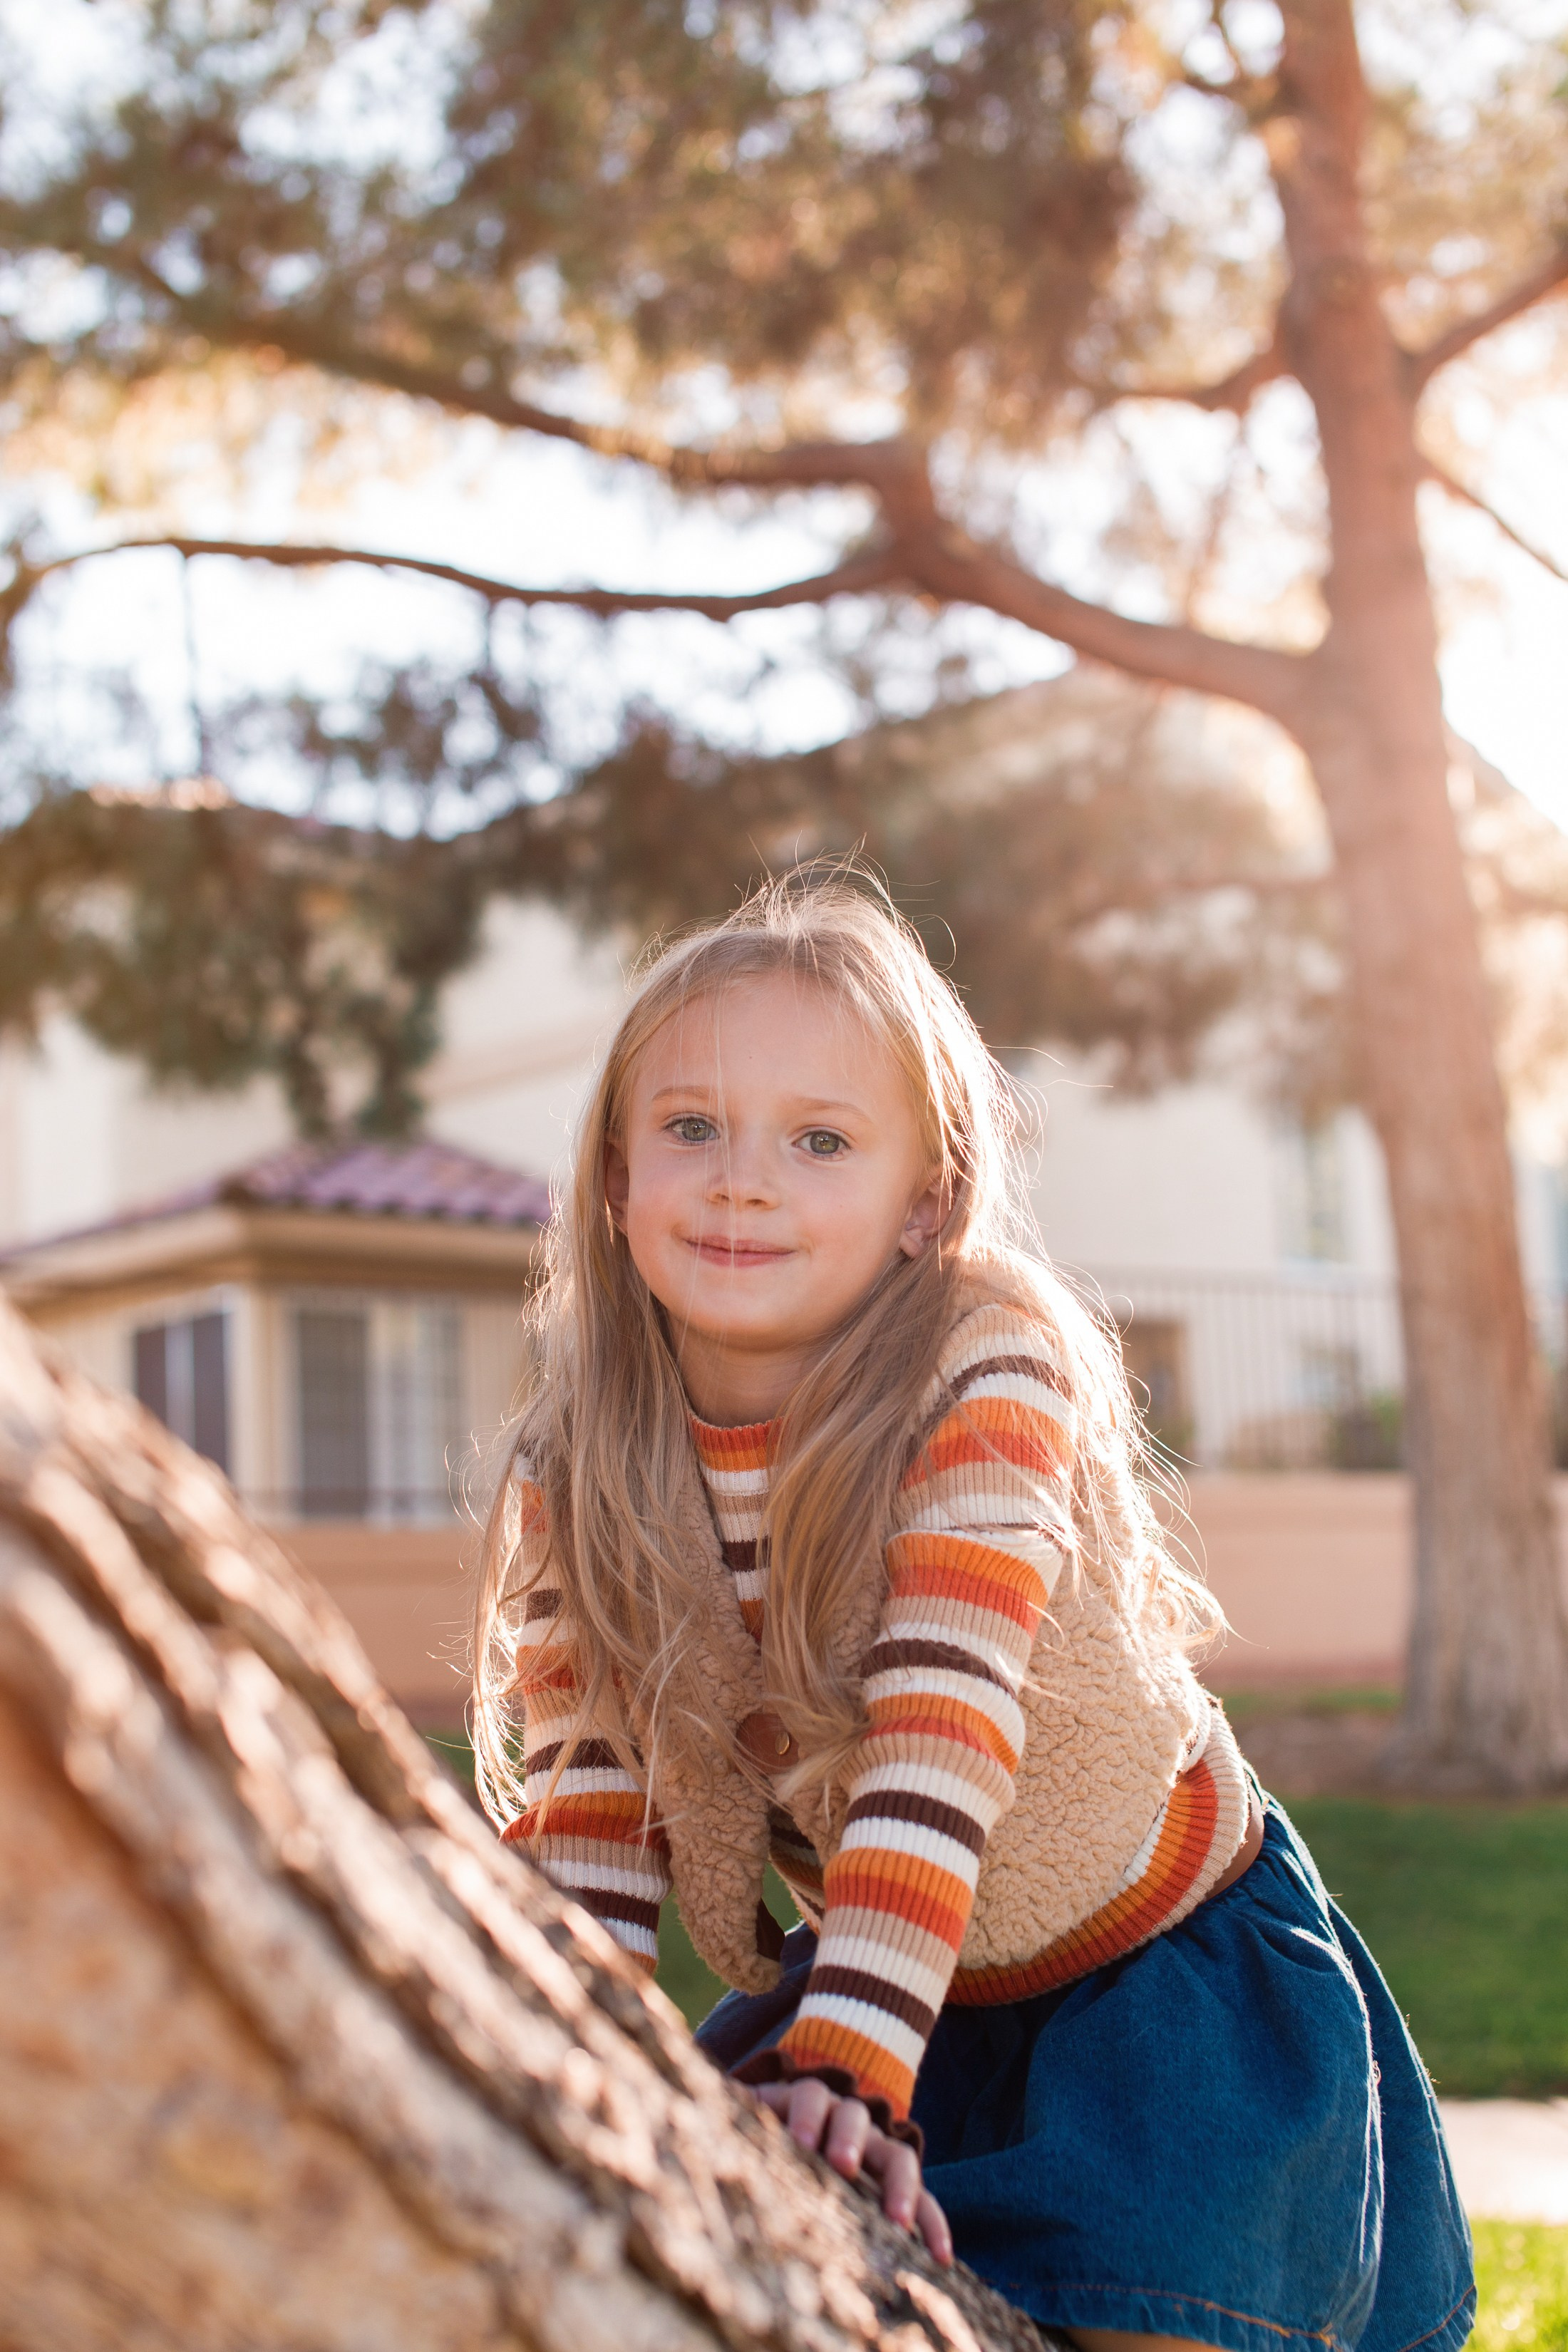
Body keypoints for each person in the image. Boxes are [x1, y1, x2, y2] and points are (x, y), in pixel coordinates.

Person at [472, 872, 1473, 2352]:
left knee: (1145, 2312)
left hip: (1151, 1982)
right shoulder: (583, 1460)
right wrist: (568, 2070)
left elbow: (939, 1726)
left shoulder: (984, 1362)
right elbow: (591, 1814)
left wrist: (854, 2071)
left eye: (819, 1141)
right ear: (613, 1181)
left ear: (922, 1203)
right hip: (886, 1972)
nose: (743, 1178)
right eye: (690, 1128)